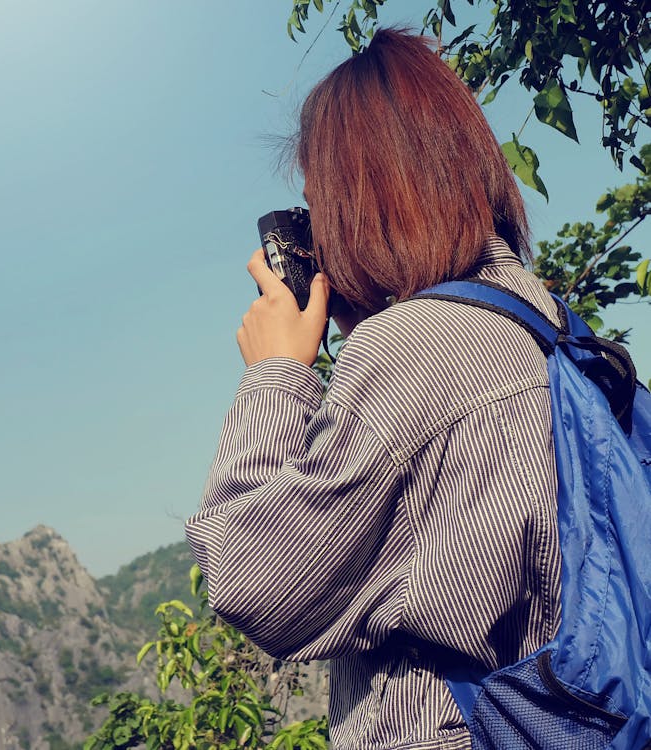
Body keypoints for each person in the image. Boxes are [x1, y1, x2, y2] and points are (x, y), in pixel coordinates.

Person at [184, 28, 560, 750]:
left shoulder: (418, 348)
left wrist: (276, 374)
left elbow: (250, 580)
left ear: (363, 196)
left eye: (319, 203)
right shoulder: (552, 329)